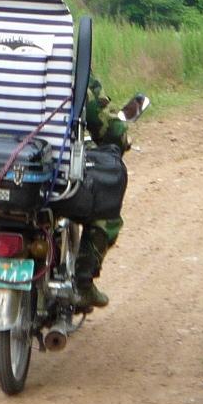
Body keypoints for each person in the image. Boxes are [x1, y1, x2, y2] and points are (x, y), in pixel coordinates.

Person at [73, 78, 135, 310]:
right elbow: (108, 129)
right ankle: (82, 282)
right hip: (52, 170)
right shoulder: (69, 71)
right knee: (104, 210)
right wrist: (121, 138)